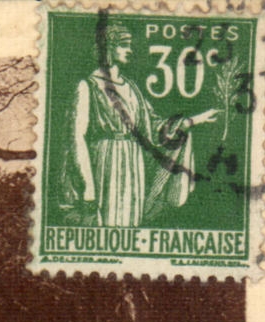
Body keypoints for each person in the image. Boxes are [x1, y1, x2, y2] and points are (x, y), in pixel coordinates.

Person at [71, 24, 219, 228]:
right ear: (107, 48)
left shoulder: (132, 88)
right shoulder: (87, 86)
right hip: (105, 163)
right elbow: (76, 137)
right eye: (124, 45)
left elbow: (155, 126)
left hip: (134, 164)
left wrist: (193, 121)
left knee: (130, 225)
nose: (130, 50)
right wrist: (88, 186)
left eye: (129, 45)